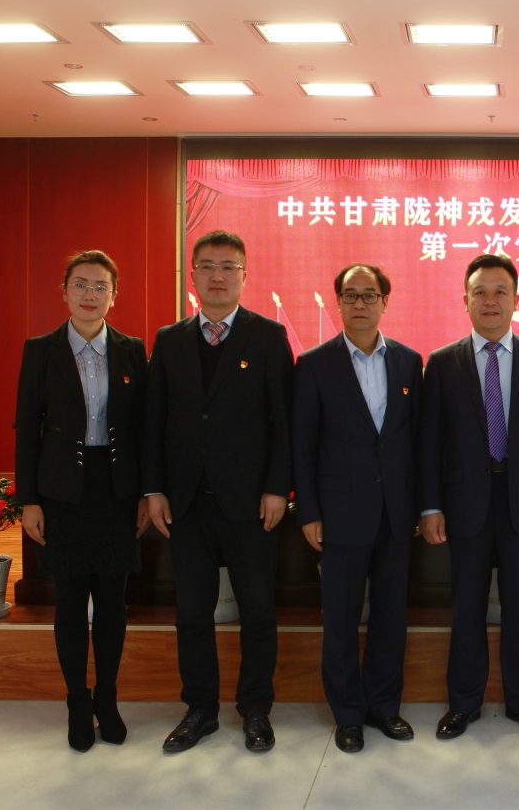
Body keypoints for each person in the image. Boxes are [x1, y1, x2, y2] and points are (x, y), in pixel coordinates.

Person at [143, 230, 294, 754]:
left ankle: (255, 709)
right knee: (192, 613)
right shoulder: (169, 339)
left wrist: (277, 488)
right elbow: (154, 420)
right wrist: (154, 489)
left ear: (244, 276)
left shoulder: (268, 336)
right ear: (193, 276)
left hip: (250, 502)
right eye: (207, 266)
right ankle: (200, 710)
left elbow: (283, 422)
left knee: (258, 611)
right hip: (185, 501)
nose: (218, 276)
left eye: (229, 267)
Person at [418, 254, 519, 740]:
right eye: (480, 292)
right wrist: (430, 505)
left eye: (500, 291)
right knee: (467, 607)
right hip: (464, 504)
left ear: (516, 300)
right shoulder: (442, 362)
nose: (490, 301)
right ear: (464, 300)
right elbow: (430, 441)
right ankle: (463, 703)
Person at [14, 249, 149, 751]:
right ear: (64, 291)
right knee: (70, 600)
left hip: (116, 490)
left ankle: (106, 698)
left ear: (115, 295)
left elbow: (143, 428)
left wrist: (146, 493)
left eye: (100, 286)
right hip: (62, 492)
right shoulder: (40, 350)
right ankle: (76, 700)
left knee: (112, 601)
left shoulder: (132, 350)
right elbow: (27, 428)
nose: (90, 295)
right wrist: (28, 500)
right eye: (81, 284)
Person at [293, 263, 422, 754]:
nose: (360, 304)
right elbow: (303, 445)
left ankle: (384, 707)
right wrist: (308, 511)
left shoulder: (408, 362)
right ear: (339, 303)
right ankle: (347, 713)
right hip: (339, 514)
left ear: (385, 302)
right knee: (342, 620)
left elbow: (416, 441)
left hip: (396, 513)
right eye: (351, 295)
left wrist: (419, 506)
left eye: (370, 295)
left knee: (391, 616)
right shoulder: (315, 364)